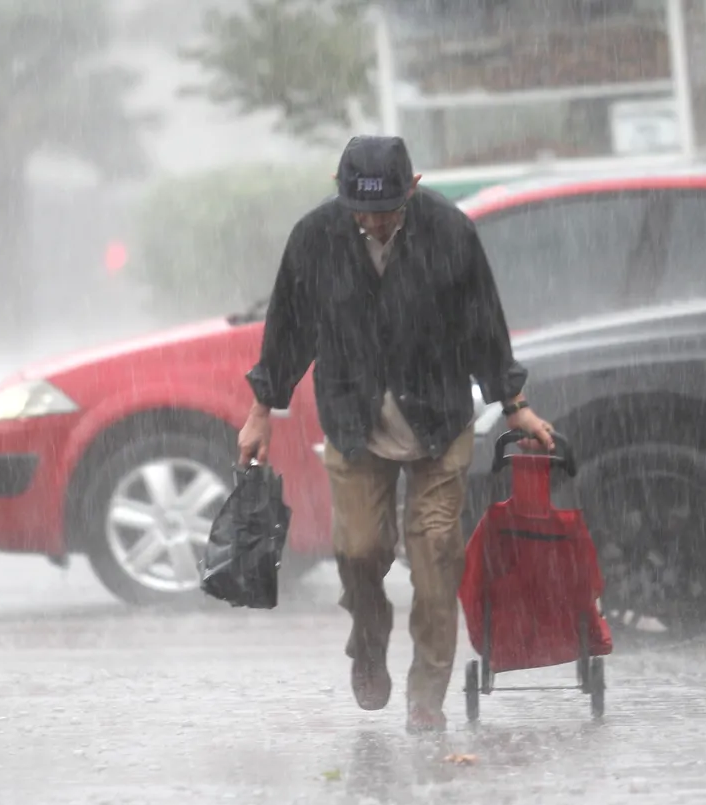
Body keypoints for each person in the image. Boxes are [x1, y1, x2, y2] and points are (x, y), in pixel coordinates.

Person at [238, 135, 555, 734]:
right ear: (340, 193)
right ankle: (369, 641)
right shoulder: (315, 239)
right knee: (359, 550)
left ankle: (426, 696)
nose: (375, 223)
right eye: (362, 211)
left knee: (435, 554)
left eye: (387, 211)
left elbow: (484, 325)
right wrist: (261, 411)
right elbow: (287, 331)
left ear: (413, 188)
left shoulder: (450, 233)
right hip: (354, 421)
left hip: (437, 417)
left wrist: (514, 404)